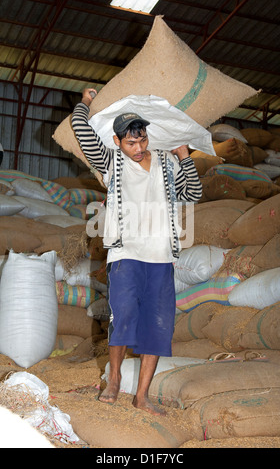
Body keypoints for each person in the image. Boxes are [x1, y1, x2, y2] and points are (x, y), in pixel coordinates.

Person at [71, 88, 202, 416]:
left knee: (158, 326)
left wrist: (185, 155)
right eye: (131, 142)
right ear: (117, 142)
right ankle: (114, 377)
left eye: (142, 139)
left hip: (161, 256)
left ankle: (141, 395)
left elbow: (195, 192)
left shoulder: (166, 163)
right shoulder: (110, 161)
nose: (139, 147)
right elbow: (80, 127)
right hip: (126, 252)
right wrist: (86, 101)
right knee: (124, 315)